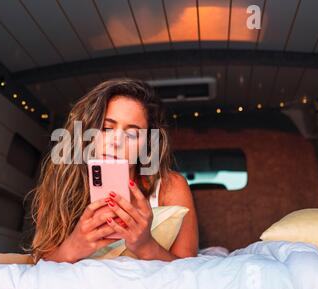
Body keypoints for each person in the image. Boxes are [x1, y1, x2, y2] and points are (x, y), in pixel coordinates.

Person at [26, 79, 198, 263]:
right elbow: (40, 261)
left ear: (146, 145)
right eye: (107, 128)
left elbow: (187, 269)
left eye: (132, 134)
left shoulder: (170, 186)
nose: (116, 142)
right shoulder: (59, 185)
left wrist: (146, 246)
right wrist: (74, 246)